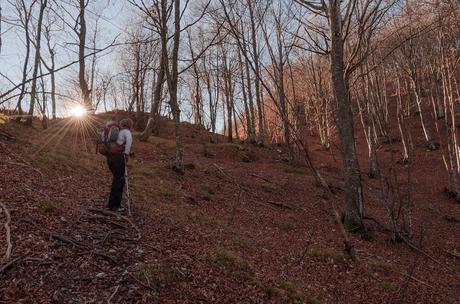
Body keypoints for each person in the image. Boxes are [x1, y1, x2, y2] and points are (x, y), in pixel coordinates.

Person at [107, 118, 133, 212]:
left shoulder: (118, 132)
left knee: (117, 180)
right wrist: (127, 154)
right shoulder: (127, 132)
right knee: (119, 181)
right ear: (130, 125)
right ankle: (114, 205)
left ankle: (113, 204)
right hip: (118, 158)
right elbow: (129, 142)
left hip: (110, 157)